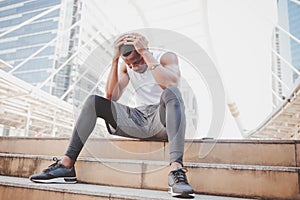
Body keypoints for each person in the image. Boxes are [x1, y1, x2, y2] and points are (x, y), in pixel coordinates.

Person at [29, 33, 195, 198]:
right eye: (129, 64)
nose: (134, 67)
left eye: (137, 61)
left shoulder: (165, 57)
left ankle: (176, 171)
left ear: (143, 50)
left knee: (172, 92)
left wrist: (145, 53)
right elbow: (111, 96)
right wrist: (115, 60)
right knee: (94, 101)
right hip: (138, 119)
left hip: (163, 119)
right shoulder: (126, 66)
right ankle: (66, 165)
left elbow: (170, 83)